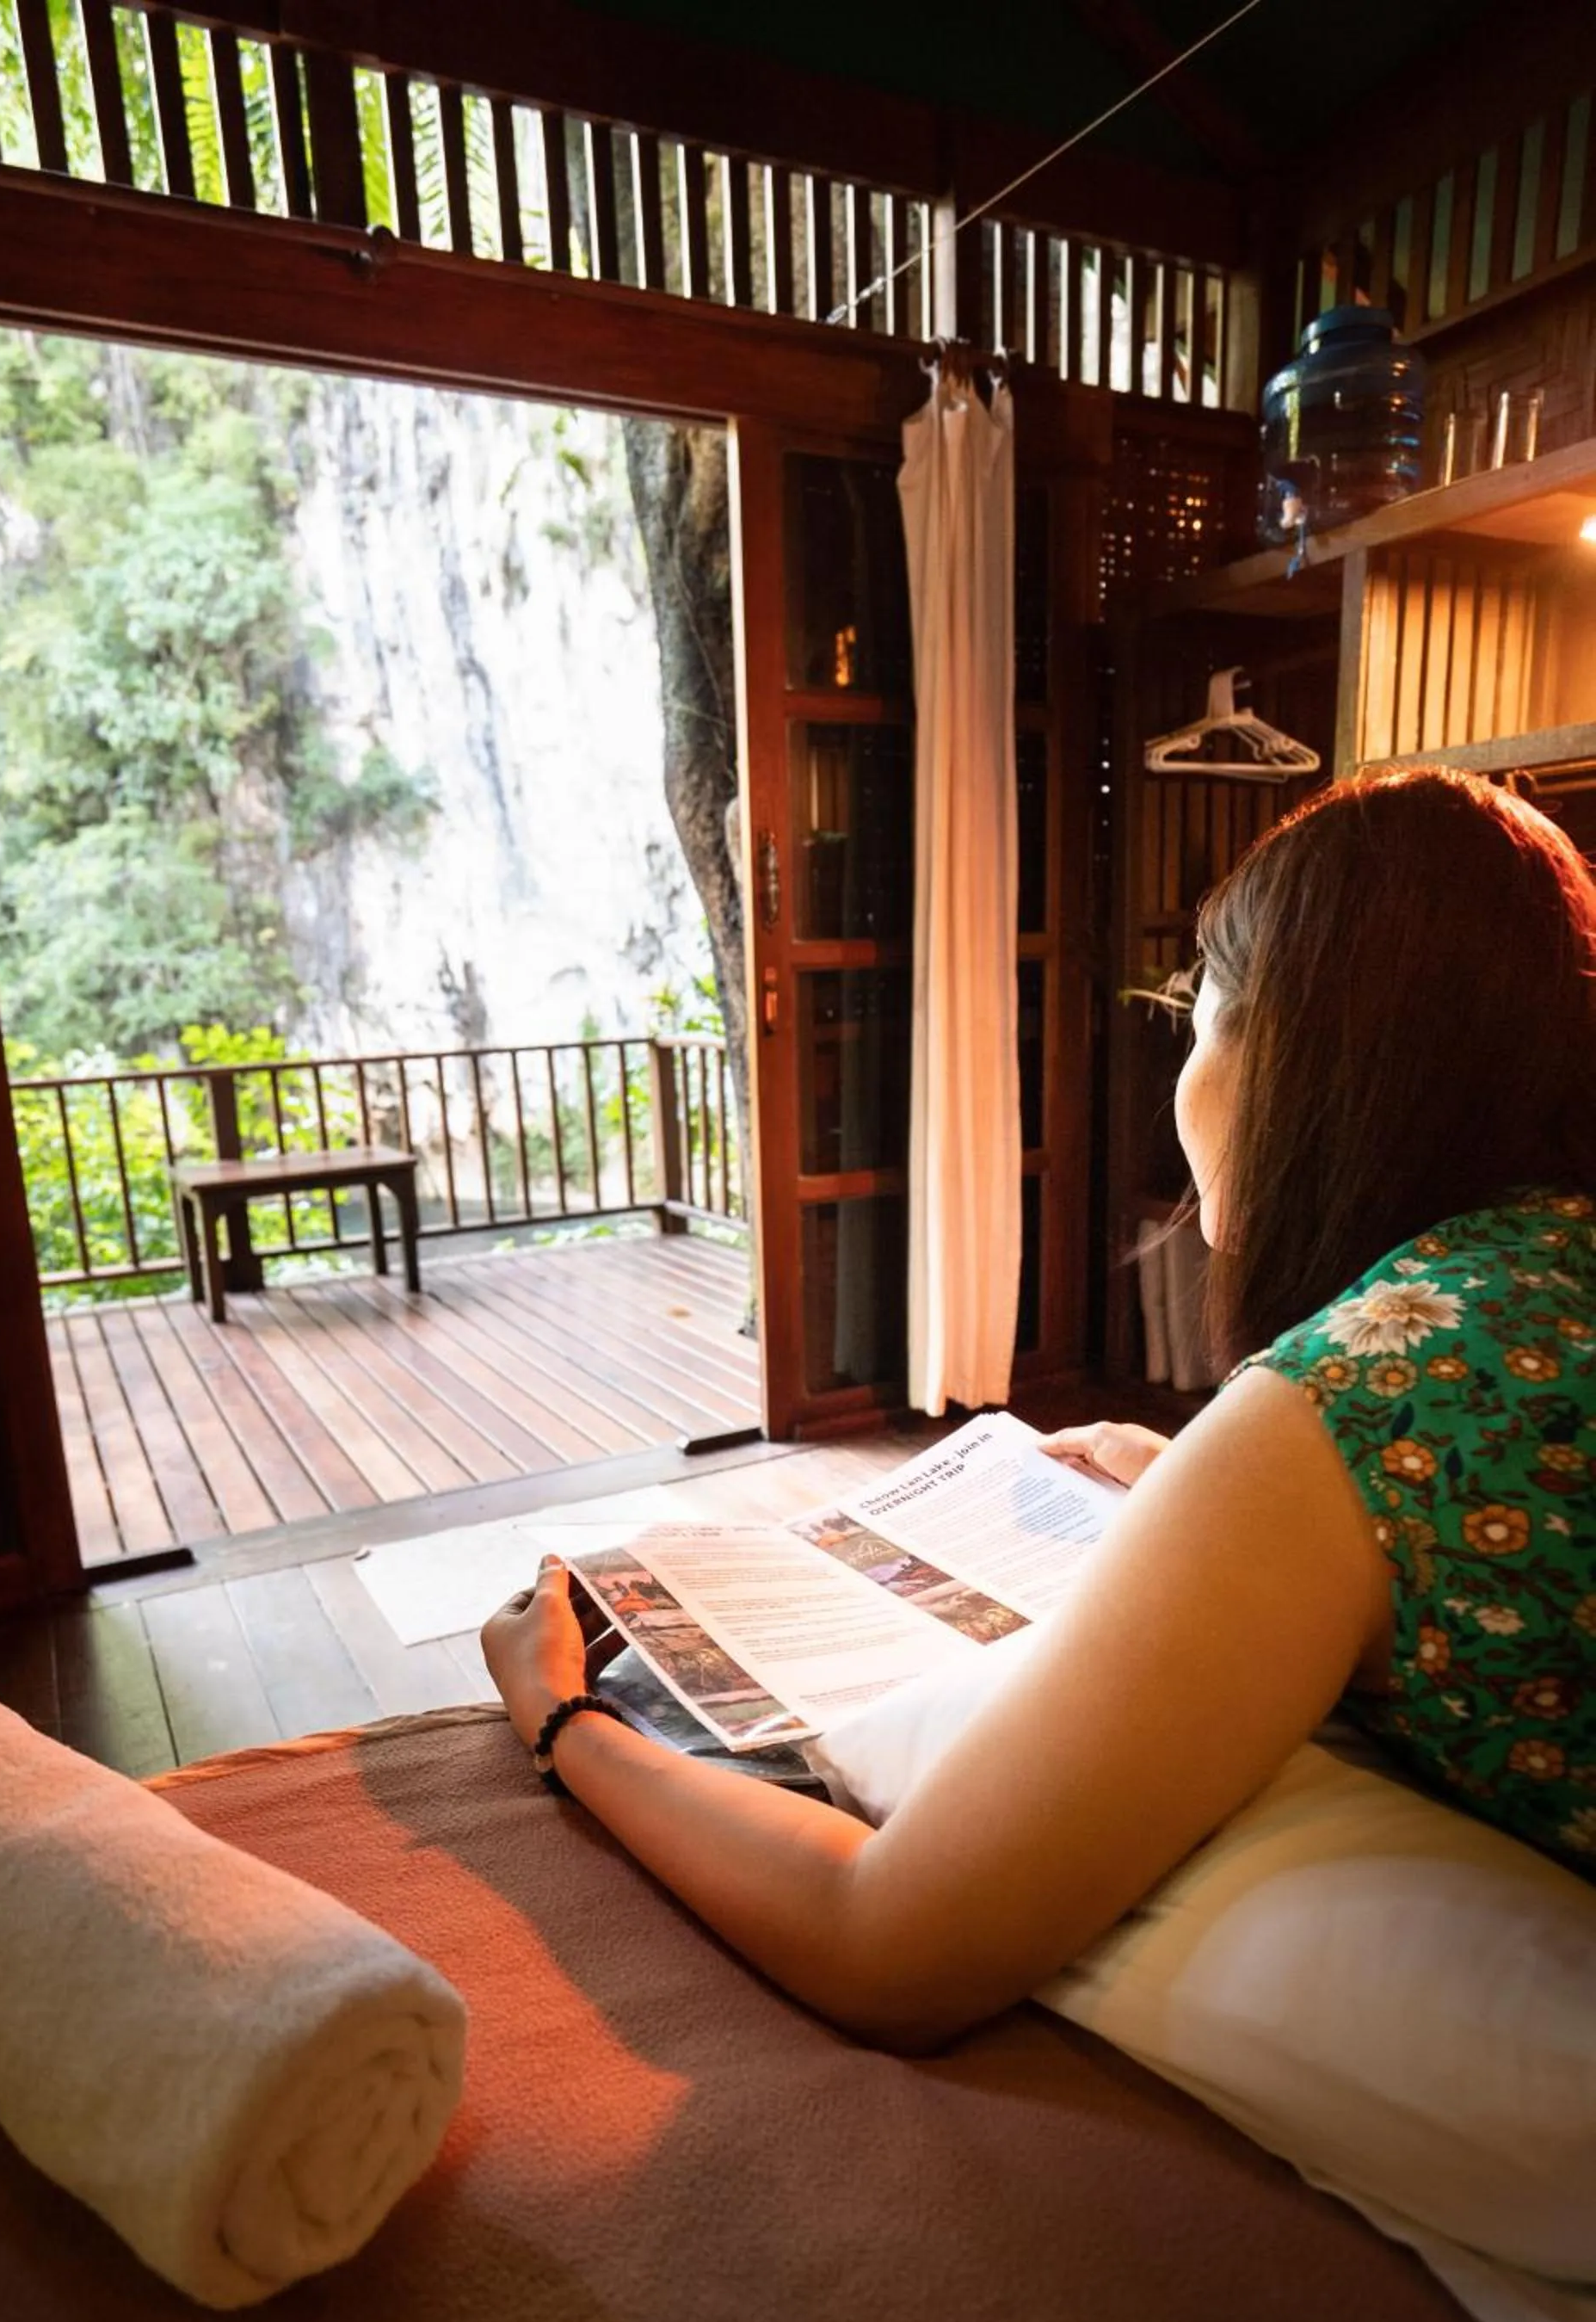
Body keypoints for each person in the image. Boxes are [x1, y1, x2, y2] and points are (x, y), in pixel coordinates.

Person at [483, 768, 1596, 2051]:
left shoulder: (1355, 1398)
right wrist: (1194, 1477)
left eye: (1201, 1016)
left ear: (1296, 1051)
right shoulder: (1525, 1285)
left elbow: (888, 1945)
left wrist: (560, 1717)